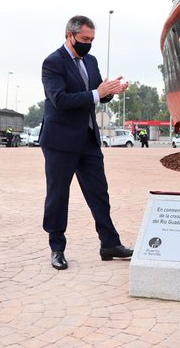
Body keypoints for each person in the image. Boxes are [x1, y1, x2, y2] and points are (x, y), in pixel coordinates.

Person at [40, 15, 134, 270]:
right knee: (58, 196)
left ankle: (109, 244)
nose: (88, 44)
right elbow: (60, 100)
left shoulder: (90, 61)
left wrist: (110, 91)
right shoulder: (52, 63)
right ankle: (57, 249)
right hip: (60, 141)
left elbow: (97, 96)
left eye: (92, 39)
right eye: (84, 39)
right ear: (69, 35)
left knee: (99, 193)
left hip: (88, 139)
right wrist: (97, 93)